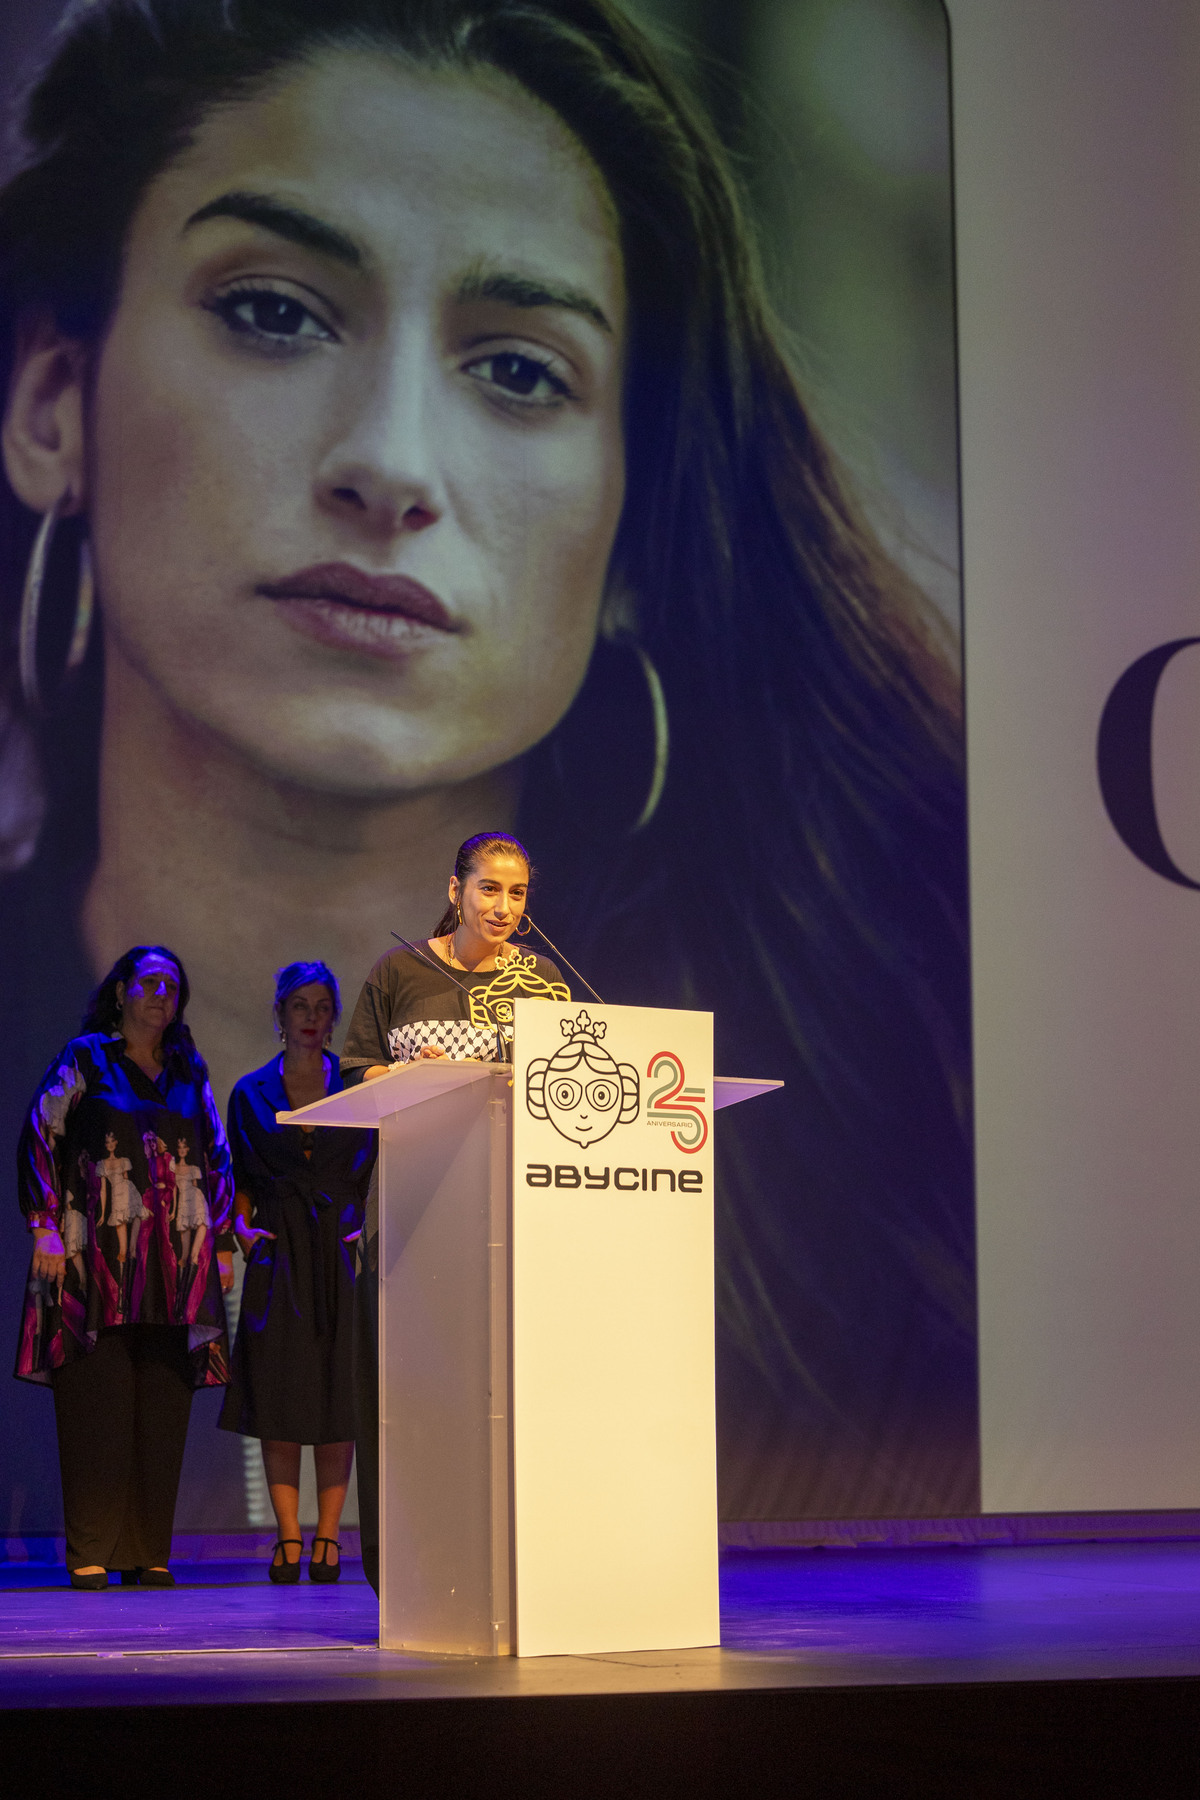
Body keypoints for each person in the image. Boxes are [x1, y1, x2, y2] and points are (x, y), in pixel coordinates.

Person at [0, 0, 973, 1534]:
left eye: (519, 371)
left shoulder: (893, 1168)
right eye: (274, 310)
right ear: (52, 406)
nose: (389, 462)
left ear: (638, 534)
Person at [341, 830, 567, 1590]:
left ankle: (510, 1559)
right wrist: (408, 1071)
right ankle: (403, 1568)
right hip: (414, 1205)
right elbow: (355, 1074)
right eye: (489, 889)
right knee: (415, 1396)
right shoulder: (399, 972)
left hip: (515, 1208)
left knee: (507, 1393)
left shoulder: (541, 982)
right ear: (454, 891)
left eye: (517, 893)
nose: (502, 906)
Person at [14, 945, 234, 1588]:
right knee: (96, 1405)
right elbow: (40, 1135)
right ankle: (90, 1548)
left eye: (173, 986)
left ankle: (146, 1550)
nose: (162, 995)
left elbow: (216, 1157)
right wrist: (43, 1224)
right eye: (150, 983)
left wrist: (220, 1244)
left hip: (176, 1260)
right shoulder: (86, 1058)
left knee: (162, 1406)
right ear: (121, 993)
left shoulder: (189, 1072)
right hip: (94, 1257)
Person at [219, 962, 374, 1583]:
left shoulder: (360, 1088)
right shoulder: (249, 1091)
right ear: (279, 1016)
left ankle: (330, 1538)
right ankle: (288, 1537)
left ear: (333, 1017)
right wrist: (242, 1226)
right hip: (278, 1254)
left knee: (341, 1396)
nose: (311, 1018)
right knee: (279, 1396)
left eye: (321, 1007)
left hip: (339, 1253)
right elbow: (239, 1182)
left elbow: (380, 1167)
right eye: (299, 1007)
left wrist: (371, 1220)